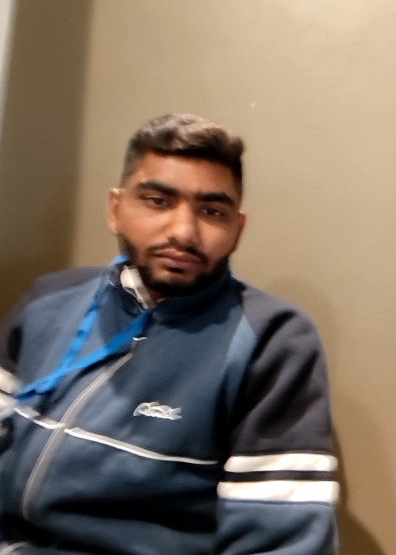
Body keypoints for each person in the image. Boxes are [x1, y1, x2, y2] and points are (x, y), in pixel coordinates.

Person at [0, 113, 339, 554]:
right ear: (116, 210)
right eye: (158, 201)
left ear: (237, 229)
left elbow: (282, 542)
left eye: (212, 211)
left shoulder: (273, 343)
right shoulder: (49, 300)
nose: (183, 232)